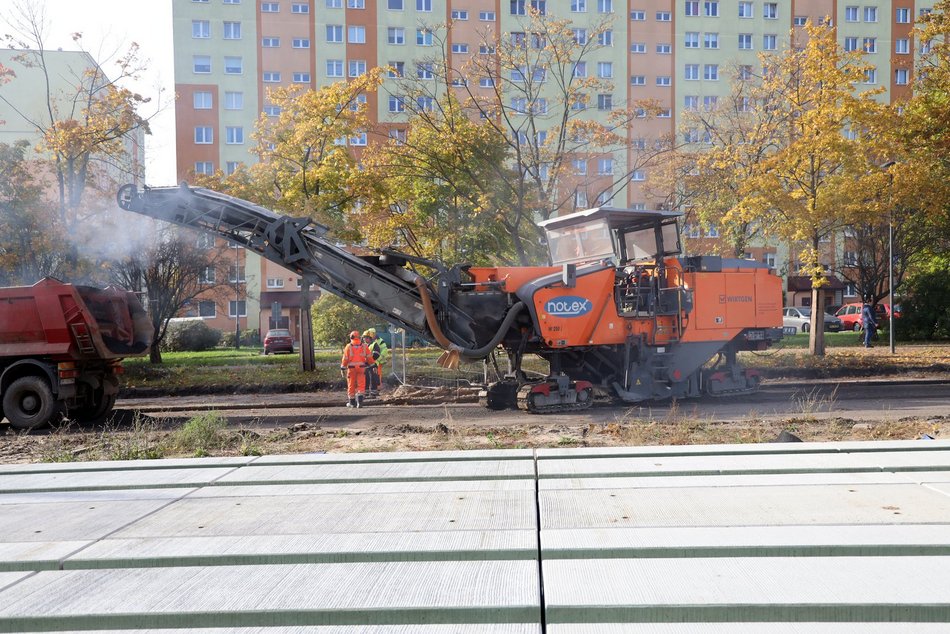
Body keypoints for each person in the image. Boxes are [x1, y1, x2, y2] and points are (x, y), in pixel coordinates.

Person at [340, 330, 370, 407]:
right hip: (361, 368)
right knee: (361, 384)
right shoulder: (364, 346)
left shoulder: (348, 346)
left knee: (351, 384)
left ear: (351, 337)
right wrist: (372, 365)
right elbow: (369, 357)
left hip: (351, 368)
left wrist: (343, 367)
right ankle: (360, 403)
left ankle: (352, 403)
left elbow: (345, 358)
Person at [363, 328, 388, 397]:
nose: (364, 339)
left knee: (374, 378)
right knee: (367, 378)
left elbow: (381, 352)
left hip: (374, 364)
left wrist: (374, 361)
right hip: (368, 365)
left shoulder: (376, 343)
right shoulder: (365, 345)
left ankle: (375, 392)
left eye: (365, 338)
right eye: (364, 338)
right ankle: (367, 392)